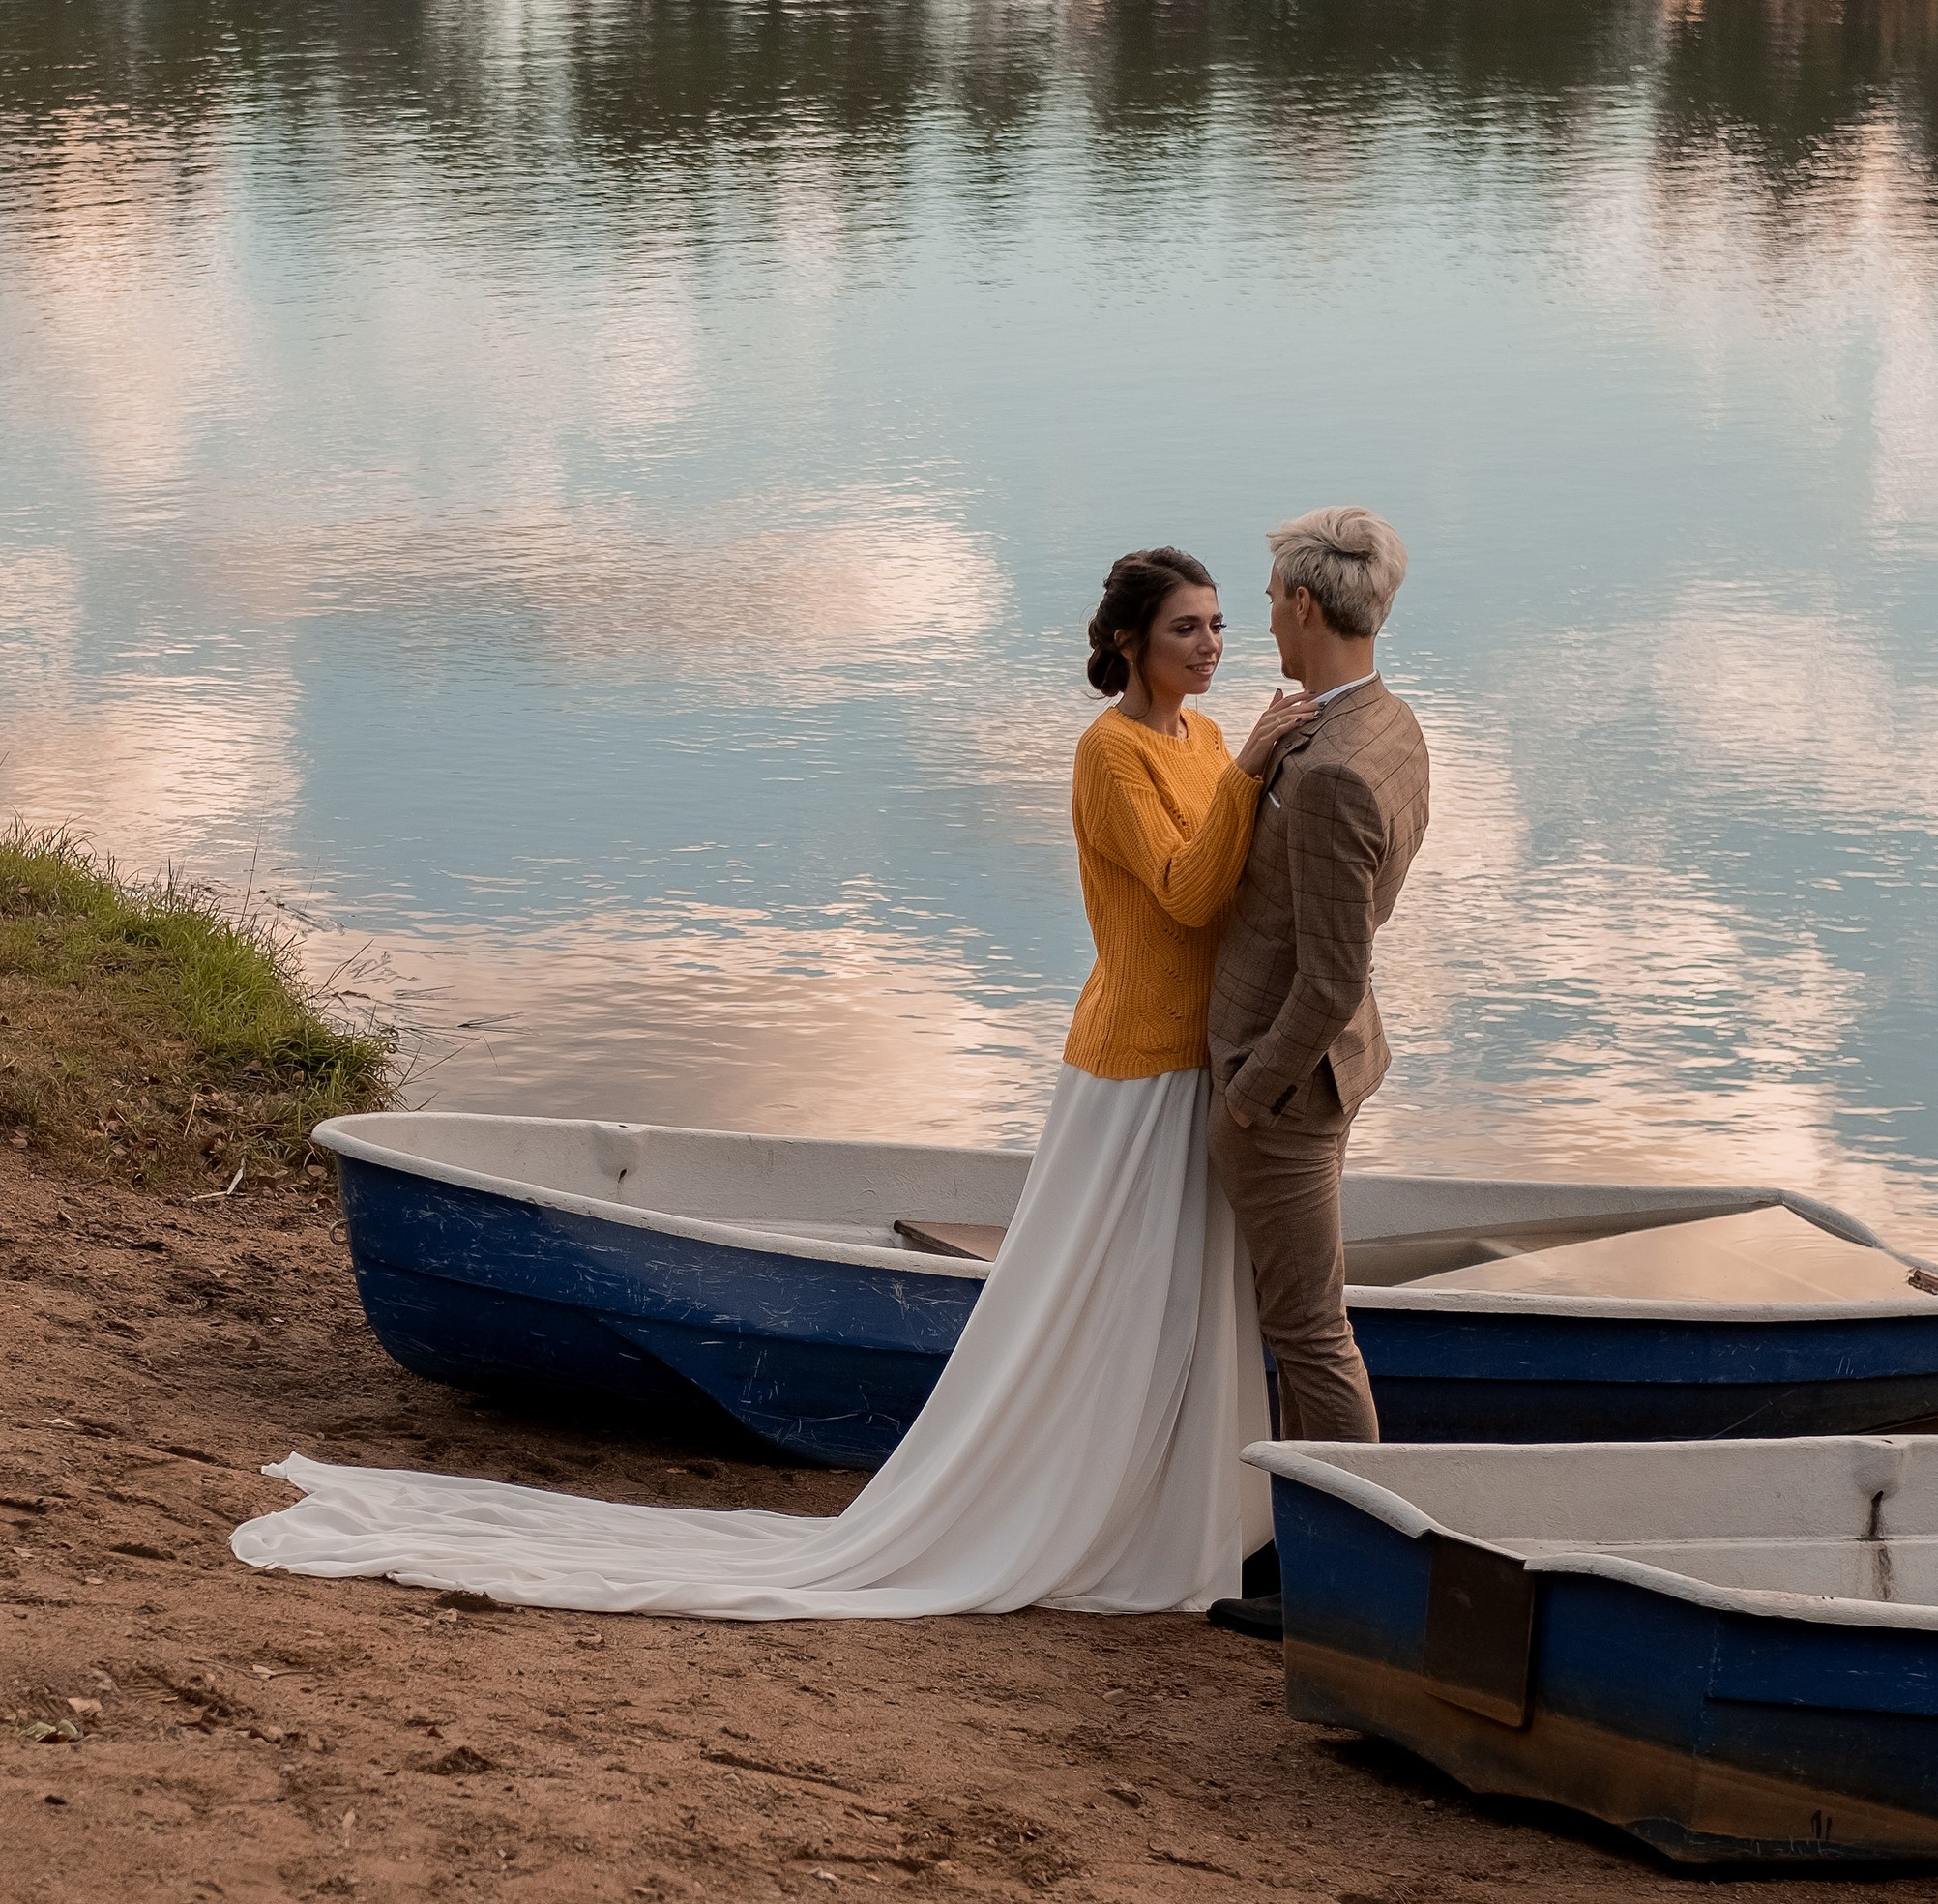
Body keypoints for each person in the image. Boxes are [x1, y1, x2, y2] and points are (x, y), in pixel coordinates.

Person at [232, 544, 1309, 1619]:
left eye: (1218, 626)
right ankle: (1093, 1514)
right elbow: (1182, 894)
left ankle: (1176, 1507)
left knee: (1177, 1295)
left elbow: (1233, 883)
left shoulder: (1207, 739)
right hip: (1132, 1064)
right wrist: (1259, 763)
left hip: (1199, 1053)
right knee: (1107, 1294)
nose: (1211, 647)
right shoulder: (1111, 754)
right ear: (1130, 641)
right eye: (1187, 629)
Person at [1207, 507, 1428, 1450]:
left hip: (1287, 1087)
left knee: (1307, 1331)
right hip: (1323, 1070)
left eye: (1263, 603)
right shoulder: (1385, 721)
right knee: (1305, 1328)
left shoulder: (1335, 767)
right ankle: (1303, 1547)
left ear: (1303, 605)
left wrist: (1248, 1098)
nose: (1259, 624)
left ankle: (1342, 1563)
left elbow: (1335, 974)